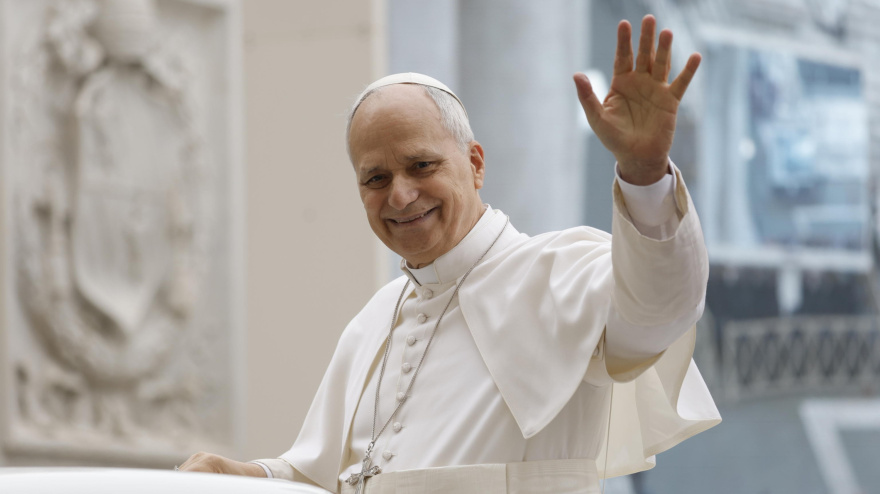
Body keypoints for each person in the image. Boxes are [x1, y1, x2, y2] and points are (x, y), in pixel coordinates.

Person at [179, 15, 721, 493]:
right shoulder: (372, 324)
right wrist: (249, 477)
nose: (399, 195)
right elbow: (324, 478)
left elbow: (660, 308)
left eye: (421, 166)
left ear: (476, 162)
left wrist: (645, 174)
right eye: (375, 178)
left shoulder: (559, 272)